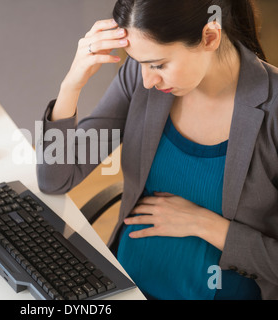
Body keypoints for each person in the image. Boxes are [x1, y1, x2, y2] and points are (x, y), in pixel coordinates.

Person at [36, 0, 278, 300]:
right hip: (123, 285)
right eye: (138, 62)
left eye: (159, 64)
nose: (147, 80)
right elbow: (54, 178)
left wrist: (207, 225)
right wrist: (71, 84)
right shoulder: (140, 79)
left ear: (210, 37)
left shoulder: (273, 110)